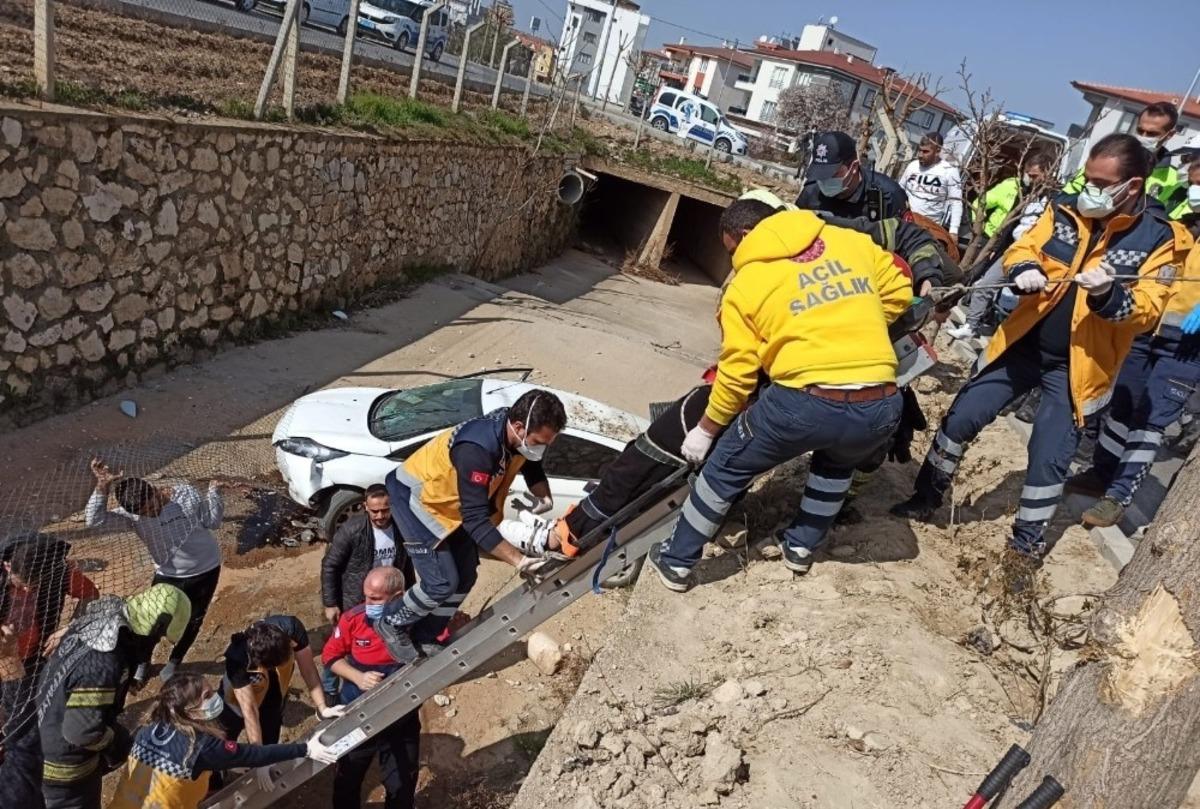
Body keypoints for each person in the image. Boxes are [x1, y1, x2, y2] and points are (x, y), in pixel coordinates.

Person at [892, 134, 1193, 563]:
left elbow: (1146, 311)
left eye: (1101, 182)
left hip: (1078, 366)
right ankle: (926, 498)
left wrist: (1108, 293)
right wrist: (1025, 269)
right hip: (1022, 343)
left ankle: (1025, 546)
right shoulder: (1065, 208)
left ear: (1134, 186)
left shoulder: (1160, 238)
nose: (1090, 188)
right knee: (962, 417)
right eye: (1088, 177)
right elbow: (1024, 245)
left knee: (1048, 457)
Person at [643, 200, 910, 591]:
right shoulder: (849, 241)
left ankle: (676, 561)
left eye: (732, 250)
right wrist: (852, 324)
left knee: (725, 469)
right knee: (837, 467)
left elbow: (737, 375)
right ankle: (800, 548)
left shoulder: (746, 286)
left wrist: (705, 429)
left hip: (804, 404)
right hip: (880, 406)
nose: (735, 259)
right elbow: (900, 289)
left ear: (747, 236)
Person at [380, 390, 565, 643]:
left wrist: (543, 496)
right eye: (538, 442)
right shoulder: (477, 449)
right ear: (520, 427)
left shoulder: (513, 436)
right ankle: (391, 622)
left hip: (451, 506)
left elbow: (531, 463)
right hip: (416, 500)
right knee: (442, 581)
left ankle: (426, 636)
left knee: (465, 575)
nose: (540, 449)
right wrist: (520, 560)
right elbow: (475, 520)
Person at [1065, 236, 1200, 527]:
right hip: (1146, 330)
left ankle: (1119, 496)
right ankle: (1101, 474)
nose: (1193, 188)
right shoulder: (1185, 229)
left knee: (1150, 420)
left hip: (1188, 346)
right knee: (1123, 404)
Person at [38, 583, 191, 809]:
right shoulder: (105, 662)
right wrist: (118, 743)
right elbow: (81, 732)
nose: (156, 643)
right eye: (159, 637)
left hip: (41, 740)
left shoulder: (96, 626)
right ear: (158, 625)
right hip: (65, 772)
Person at [85, 460, 226, 682]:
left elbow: (212, 522)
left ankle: (174, 661)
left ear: (155, 491)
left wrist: (214, 493)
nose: (151, 514)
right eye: (145, 513)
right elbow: (93, 521)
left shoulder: (185, 495)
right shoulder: (133, 518)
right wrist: (102, 486)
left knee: (193, 620)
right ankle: (143, 662)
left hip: (206, 569)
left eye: (152, 507)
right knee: (149, 621)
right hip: (168, 574)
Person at [108, 673, 337, 809]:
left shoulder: (152, 726)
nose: (214, 698)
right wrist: (305, 748)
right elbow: (254, 754)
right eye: (207, 696)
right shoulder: (199, 746)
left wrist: (228, 761)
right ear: (189, 709)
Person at [323, 567, 422, 809]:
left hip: (401, 716)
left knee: (402, 784)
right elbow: (330, 657)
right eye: (366, 596)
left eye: (375, 599)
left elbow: (442, 644)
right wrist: (358, 677)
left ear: (398, 597)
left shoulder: (417, 621)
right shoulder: (353, 619)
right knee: (347, 780)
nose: (368, 603)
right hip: (357, 714)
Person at [217, 614, 344, 795]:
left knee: (270, 733)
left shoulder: (292, 628)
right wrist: (257, 758)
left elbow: (307, 668)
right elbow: (249, 709)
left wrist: (322, 707)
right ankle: (218, 775)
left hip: (275, 693)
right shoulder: (237, 656)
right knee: (224, 736)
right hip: (236, 701)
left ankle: (264, 777)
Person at [948, 151, 1058, 341]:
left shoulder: (1055, 200)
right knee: (984, 285)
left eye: (1033, 176)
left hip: (1036, 256)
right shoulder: (1024, 194)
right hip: (1013, 249)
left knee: (1021, 299)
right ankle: (971, 325)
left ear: (1046, 174)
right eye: (1027, 174)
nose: (1028, 179)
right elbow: (1011, 224)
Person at [320, 484, 414, 703]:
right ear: (365, 507)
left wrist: (408, 593)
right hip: (355, 599)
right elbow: (330, 565)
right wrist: (330, 602)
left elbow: (406, 563)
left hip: (387, 596)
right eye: (374, 511)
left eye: (385, 510)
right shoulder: (352, 530)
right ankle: (331, 690)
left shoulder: (401, 527)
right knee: (338, 643)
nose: (380, 516)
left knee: (382, 637)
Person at [1064, 102, 1181, 206]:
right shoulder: (1106, 160)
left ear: (1169, 135)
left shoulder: (1173, 180)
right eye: (1140, 131)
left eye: (1152, 134)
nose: (1143, 137)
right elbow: (1066, 196)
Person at [796, 131, 908, 222]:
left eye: (831, 174)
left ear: (854, 167)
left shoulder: (888, 197)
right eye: (819, 174)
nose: (823, 180)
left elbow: (904, 241)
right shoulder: (811, 191)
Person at [899, 132, 964, 239]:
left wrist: (953, 231)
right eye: (919, 150)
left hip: (929, 228)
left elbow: (956, 202)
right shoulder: (912, 166)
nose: (920, 155)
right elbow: (899, 190)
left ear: (937, 151)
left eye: (925, 151)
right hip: (906, 221)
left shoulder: (949, 171)